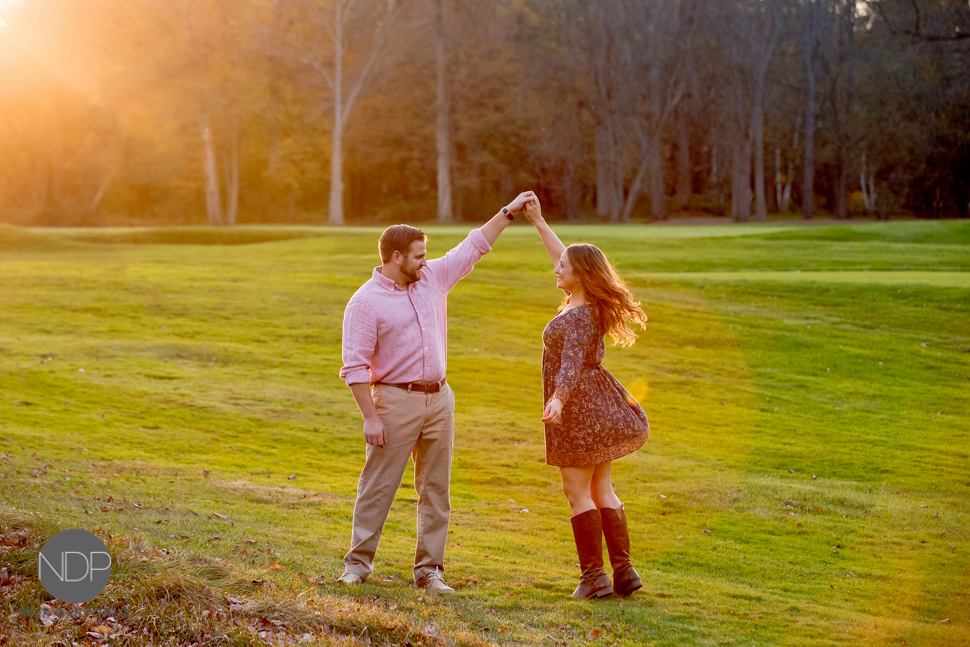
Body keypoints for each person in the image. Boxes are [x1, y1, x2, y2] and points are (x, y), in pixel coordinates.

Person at [337, 191, 536, 593]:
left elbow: (474, 246)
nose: (425, 261)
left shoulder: (432, 279)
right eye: (418, 256)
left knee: (436, 489)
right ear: (396, 257)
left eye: (425, 255)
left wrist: (507, 213)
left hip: (440, 400)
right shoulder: (365, 302)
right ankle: (357, 566)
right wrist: (370, 418)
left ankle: (429, 572)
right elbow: (355, 366)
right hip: (394, 401)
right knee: (378, 487)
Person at [522, 198, 650, 599]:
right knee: (601, 491)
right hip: (601, 407)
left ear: (579, 275)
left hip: (579, 410)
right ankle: (624, 573)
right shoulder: (586, 304)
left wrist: (559, 400)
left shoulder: (578, 316)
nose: (556, 266)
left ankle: (594, 578)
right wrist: (539, 222)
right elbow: (564, 255)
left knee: (577, 492)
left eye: (564, 266)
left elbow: (571, 363)